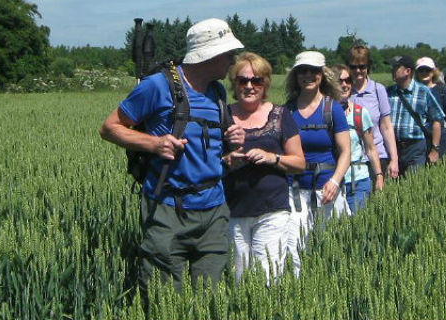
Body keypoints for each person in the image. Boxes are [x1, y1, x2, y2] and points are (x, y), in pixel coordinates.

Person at [100, 18, 244, 288]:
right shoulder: (157, 86)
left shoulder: (217, 91)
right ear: (209, 54)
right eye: (228, 53)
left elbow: (212, 146)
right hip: (167, 208)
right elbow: (110, 128)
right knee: (163, 297)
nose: (232, 60)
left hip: (214, 208)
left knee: (209, 299)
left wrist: (232, 140)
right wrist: (154, 144)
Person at [221, 52, 308, 284]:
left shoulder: (280, 115)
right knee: (239, 279)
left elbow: (299, 162)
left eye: (256, 80)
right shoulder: (224, 116)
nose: (249, 86)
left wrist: (272, 158)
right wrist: (228, 160)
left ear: (265, 83)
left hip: (272, 210)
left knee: (267, 279)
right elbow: (210, 160)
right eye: (243, 80)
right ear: (234, 83)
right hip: (234, 212)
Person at [285, 51, 353, 232]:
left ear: (322, 75)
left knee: (332, 246)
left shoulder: (333, 109)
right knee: (297, 252)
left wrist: (335, 182)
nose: (308, 75)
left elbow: (346, 151)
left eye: (314, 70)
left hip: (328, 190)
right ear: (296, 76)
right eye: (302, 71)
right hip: (296, 192)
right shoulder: (287, 111)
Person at [384, 56, 445, 177]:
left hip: (415, 147)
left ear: (407, 71)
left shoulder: (423, 91)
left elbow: (437, 119)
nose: (393, 71)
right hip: (393, 148)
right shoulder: (388, 92)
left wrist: (435, 149)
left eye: (396, 68)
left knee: (413, 183)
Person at [345, 46, 396, 186]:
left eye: (362, 66)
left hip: (378, 156)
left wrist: (394, 159)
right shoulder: (344, 91)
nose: (357, 71)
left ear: (368, 67)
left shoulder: (377, 89)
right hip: (352, 159)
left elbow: (386, 126)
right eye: (353, 67)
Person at [335, 66, 383, 213]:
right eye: (340, 81)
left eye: (348, 80)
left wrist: (379, 175)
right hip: (333, 181)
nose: (345, 85)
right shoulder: (324, 113)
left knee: (357, 225)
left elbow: (370, 148)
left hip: (358, 180)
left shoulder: (359, 113)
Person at [415, 57, 446, 158]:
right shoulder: (413, 91)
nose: (424, 72)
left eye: (428, 70)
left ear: (433, 71)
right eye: (421, 70)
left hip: (441, 136)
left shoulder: (441, 90)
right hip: (419, 137)